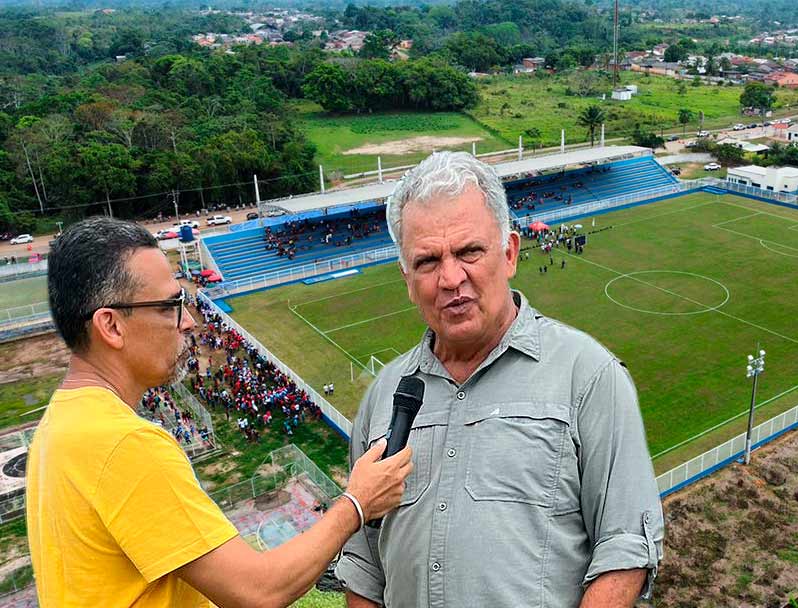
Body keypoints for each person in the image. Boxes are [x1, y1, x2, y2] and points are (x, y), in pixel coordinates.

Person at [27, 216, 414, 608]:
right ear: (110, 325)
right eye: (170, 306)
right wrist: (358, 502)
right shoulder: (124, 444)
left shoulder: (60, 426)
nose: (189, 321)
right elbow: (258, 591)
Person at [336, 152, 663, 608]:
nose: (451, 278)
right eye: (428, 261)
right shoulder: (383, 398)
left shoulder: (588, 375)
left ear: (509, 253)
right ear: (407, 279)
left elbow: (626, 546)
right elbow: (365, 571)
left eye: (469, 251)